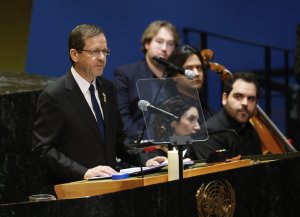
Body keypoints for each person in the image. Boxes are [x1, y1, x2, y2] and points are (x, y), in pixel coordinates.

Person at [31, 24, 164, 193]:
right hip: (74, 191)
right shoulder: (55, 95)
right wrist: (84, 172)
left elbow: (118, 138)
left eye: (105, 51)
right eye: (94, 52)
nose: (102, 58)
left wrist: (145, 160)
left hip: (110, 188)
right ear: (74, 54)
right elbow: (43, 150)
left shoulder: (107, 88)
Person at [114, 20, 179, 141]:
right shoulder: (126, 74)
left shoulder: (176, 78)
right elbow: (122, 119)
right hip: (140, 146)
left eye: (170, 44)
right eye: (159, 41)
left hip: (174, 145)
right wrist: (151, 143)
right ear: (147, 44)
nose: (165, 48)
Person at [187, 72, 262, 160]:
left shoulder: (251, 131)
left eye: (251, 99)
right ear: (224, 98)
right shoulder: (208, 134)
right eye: (238, 96)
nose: (245, 103)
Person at [165, 45, 214, 120]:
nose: (197, 73)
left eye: (198, 67)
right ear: (174, 76)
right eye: (188, 68)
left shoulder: (203, 105)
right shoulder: (169, 109)